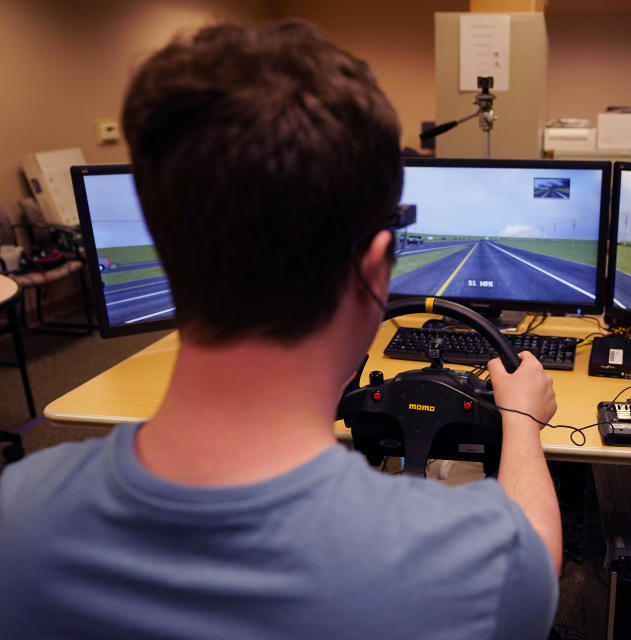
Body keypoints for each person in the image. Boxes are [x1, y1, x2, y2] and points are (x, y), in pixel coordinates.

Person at [0, 21, 562, 638]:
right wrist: (522, 422)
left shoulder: (17, 511)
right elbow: (538, 555)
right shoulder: (472, 563)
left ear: (164, 248)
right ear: (373, 268)